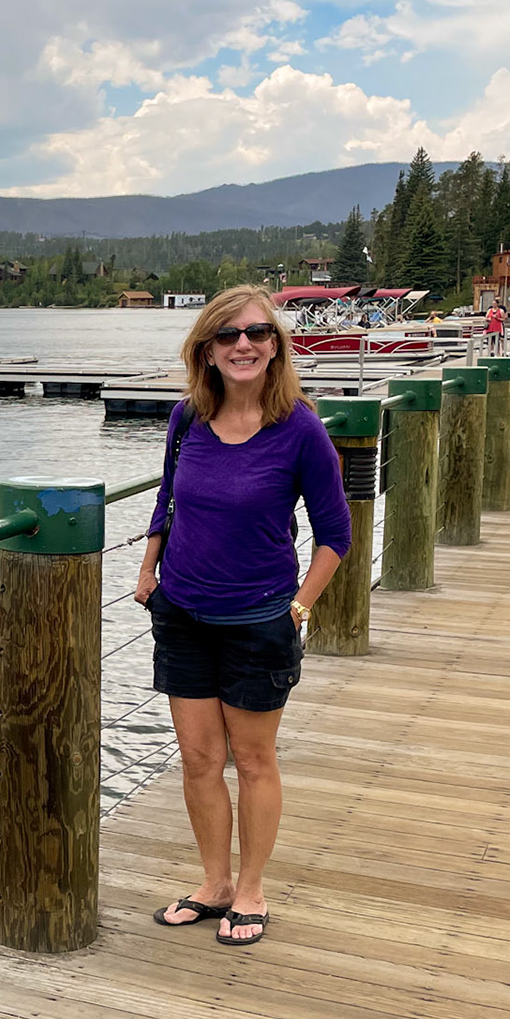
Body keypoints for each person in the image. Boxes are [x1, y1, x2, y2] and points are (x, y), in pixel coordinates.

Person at [135, 285, 350, 946]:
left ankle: (251, 889)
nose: (243, 345)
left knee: (253, 760)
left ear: (277, 346)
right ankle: (214, 885)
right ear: (207, 350)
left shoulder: (300, 429)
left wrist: (298, 608)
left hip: (260, 620)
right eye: (227, 336)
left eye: (257, 333)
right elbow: (168, 502)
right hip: (184, 613)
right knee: (199, 759)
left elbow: (335, 534)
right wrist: (149, 571)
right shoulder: (187, 421)